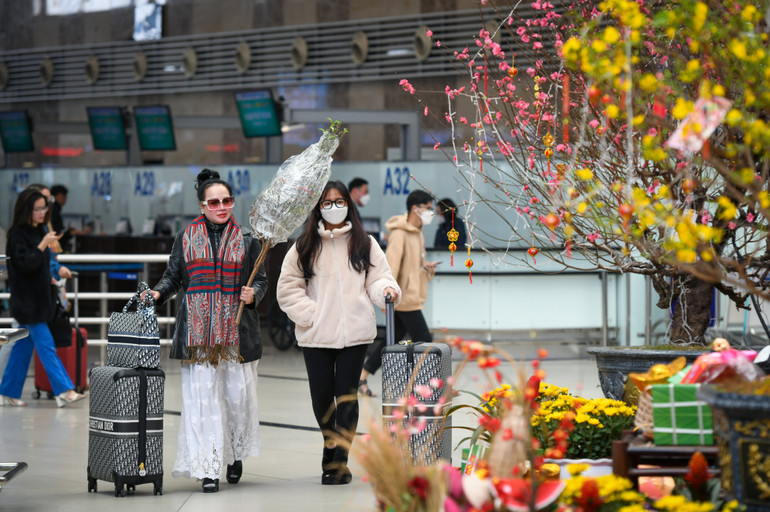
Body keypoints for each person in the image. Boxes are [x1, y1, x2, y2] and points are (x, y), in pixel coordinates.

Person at [148, 169, 267, 493]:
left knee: (236, 398)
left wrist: (253, 292)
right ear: (202, 205)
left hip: (237, 334)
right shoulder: (185, 237)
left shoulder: (248, 239)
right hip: (198, 336)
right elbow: (173, 276)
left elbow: (261, 279)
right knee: (202, 401)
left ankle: (233, 454)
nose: (221, 207)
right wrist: (159, 293)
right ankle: (208, 466)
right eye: (213, 202)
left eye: (227, 200)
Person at [276, 180, 400, 485]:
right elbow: (288, 288)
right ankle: (329, 441)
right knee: (321, 396)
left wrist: (386, 289)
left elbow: (378, 277)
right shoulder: (304, 245)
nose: (334, 207)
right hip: (316, 334)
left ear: (349, 204)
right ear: (318, 208)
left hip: (354, 333)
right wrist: (311, 315)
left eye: (339, 201)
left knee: (346, 397)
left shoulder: (364, 242)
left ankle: (339, 460)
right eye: (327, 202)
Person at [0, 188, 86, 407]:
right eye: (37, 208)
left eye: (44, 208)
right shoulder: (17, 235)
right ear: (26, 209)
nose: (42, 212)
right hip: (27, 302)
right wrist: (41, 246)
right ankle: (64, 390)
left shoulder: (40, 232)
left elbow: (44, 265)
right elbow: (25, 264)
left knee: (22, 347)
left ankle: (8, 392)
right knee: (46, 345)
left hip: (39, 300)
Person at [358, 189, 439, 397]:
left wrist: (426, 267)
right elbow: (390, 268)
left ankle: (362, 377)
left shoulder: (418, 232)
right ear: (415, 208)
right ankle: (433, 385)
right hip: (403, 299)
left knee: (391, 341)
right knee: (424, 338)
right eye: (428, 208)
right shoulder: (399, 234)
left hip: (411, 296)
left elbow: (413, 265)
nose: (430, 212)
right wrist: (388, 299)